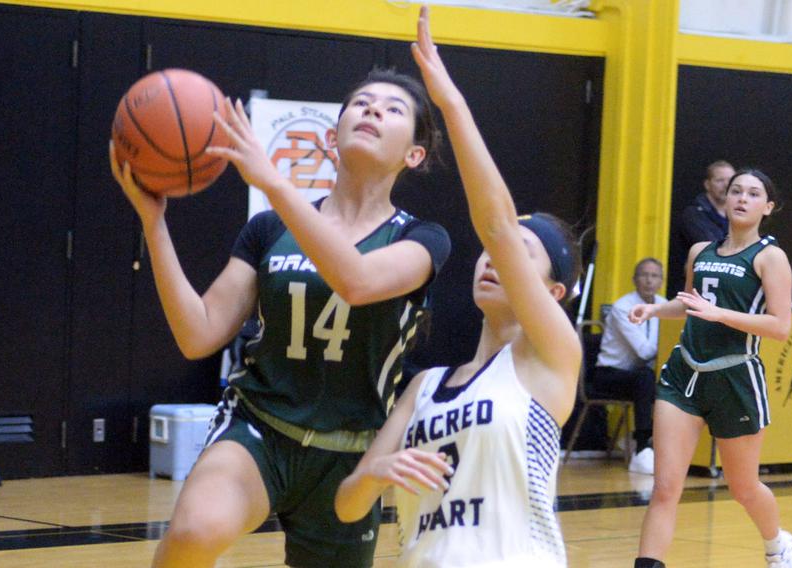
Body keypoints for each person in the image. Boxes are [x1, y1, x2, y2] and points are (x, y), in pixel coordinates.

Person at [110, 66, 451, 567]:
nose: (373, 109)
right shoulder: (269, 229)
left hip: (351, 454)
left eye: (393, 109)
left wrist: (271, 180)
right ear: (333, 138)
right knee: (194, 532)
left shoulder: (421, 239)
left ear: (413, 155)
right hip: (260, 429)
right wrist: (154, 223)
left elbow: (357, 282)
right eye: (360, 102)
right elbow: (197, 334)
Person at [335, 8, 582, 567]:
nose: (496, 258)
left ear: (553, 293)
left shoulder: (552, 357)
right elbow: (349, 506)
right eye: (496, 253)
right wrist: (374, 473)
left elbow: (494, 221)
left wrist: (450, 103)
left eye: (522, 255)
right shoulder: (423, 386)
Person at [629, 169, 792, 568]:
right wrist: (655, 308)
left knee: (743, 488)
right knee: (665, 487)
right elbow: (689, 303)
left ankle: (777, 544)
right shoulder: (700, 250)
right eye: (736, 190)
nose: (742, 198)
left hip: (735, 376)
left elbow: (780, 326)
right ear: (724, 199)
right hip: (683, 374)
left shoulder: (770, 257)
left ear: (767, 207)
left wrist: (721, 315)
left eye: (753, 193)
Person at [594, 258, 666, 475]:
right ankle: (642, 447)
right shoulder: (623, 307)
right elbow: (644, 351)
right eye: (644, 275)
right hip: (609, 374)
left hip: (640, 376)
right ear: (634, 279)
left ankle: (654, 444)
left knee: (670, 380)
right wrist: (669, 337)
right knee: (645, 378)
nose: (649, 280)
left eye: (655, 276)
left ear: (661, 281)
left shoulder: (663, 304)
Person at [668, 160, 735, 295]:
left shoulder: (737, 214)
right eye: (720, 180)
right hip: (693, 289)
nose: (726, 185)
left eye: (730, 180)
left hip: (726, 287)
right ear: (707, 184)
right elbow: (714, 246)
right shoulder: (693, 214)